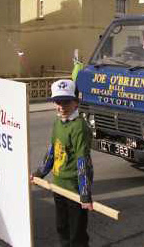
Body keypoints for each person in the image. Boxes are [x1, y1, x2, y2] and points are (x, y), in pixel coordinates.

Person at [32, 79, 93, 247]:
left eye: (66, 102)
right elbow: (52, 152)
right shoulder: (58, 122)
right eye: (58, 102)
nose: (61, 106)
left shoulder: (79, 127)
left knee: (77, 235)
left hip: (74, 190)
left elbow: (83, 162)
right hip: (59, 187)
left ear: (76, 102)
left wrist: (85, 195)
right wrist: (39, 173)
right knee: (62, 228)